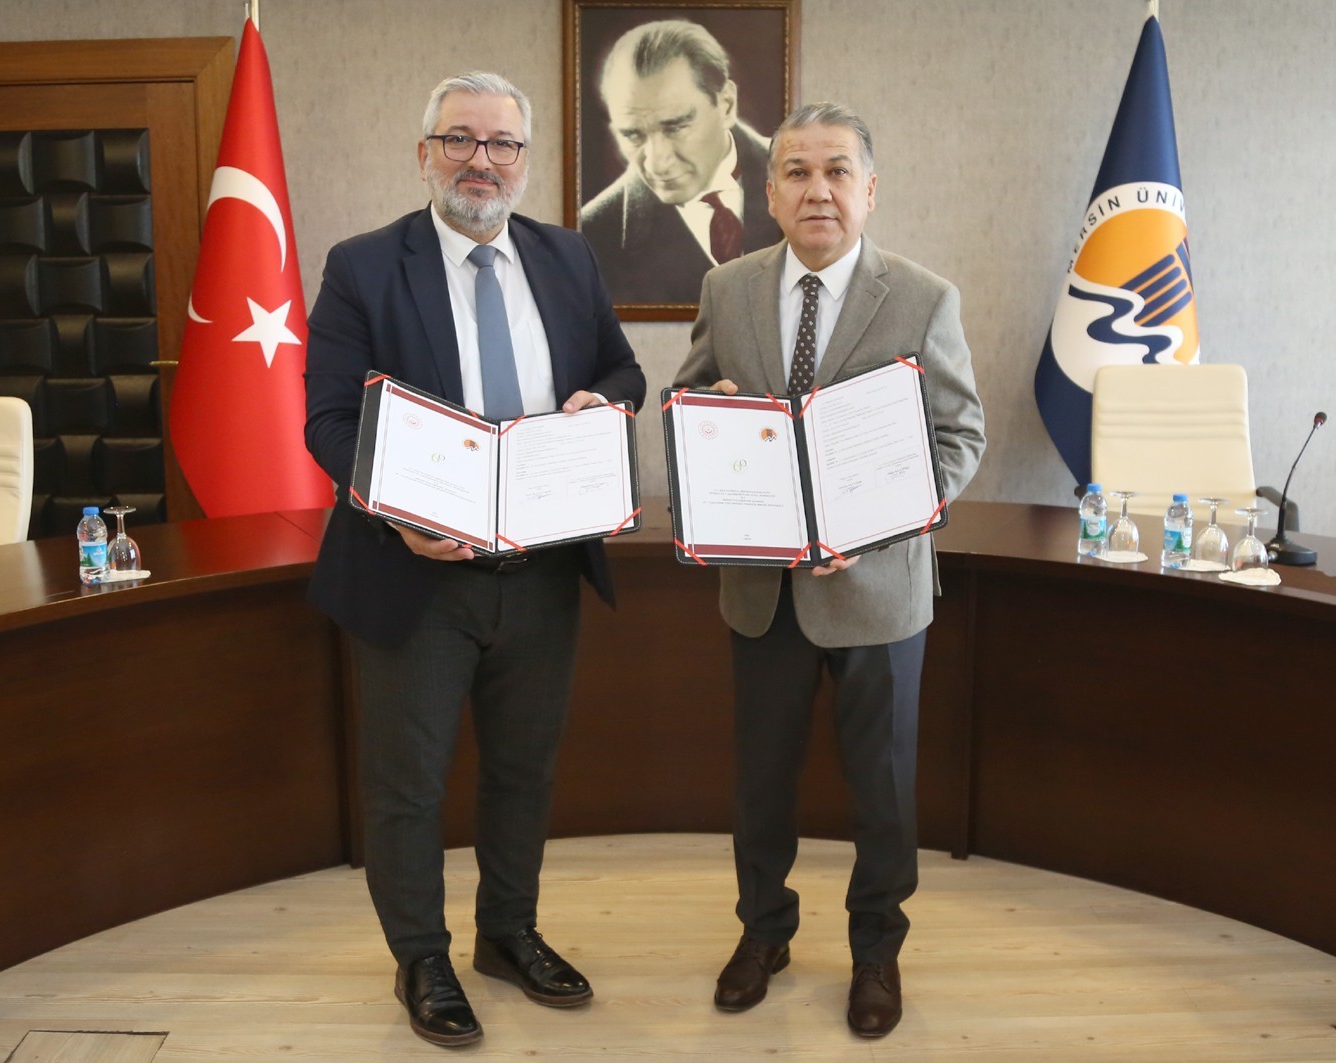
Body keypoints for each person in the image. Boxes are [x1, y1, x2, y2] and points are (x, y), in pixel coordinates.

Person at [303, 71, 646, 1048]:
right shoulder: (365, 266)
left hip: (542, 569)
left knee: (523, 772)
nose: (480, 161)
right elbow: (328, 419)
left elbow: (622, 368)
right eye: (459, 139)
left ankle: (507, 934)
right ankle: (421, 956)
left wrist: (605, 403)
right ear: (425, 154)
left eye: (501, 144)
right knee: (408, 784)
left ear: (524, 160)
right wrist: (395, 508)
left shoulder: (567, 255)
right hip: (411, 572)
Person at [673, 101, 986, 1038]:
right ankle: (762, 932)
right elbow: (688, 398)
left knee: (882, 791)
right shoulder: (727, 287)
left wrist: (882, 521)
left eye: (837, 171)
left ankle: (876, 949)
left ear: (870, 190)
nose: (819, 190)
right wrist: (711, 414)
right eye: (798, 172)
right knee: (760, 782)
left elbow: (959, 436)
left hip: (878, 590)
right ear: (768, 192)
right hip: (761, 590)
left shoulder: (924, 297)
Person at [579, 19, 781, 306]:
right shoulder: (593, 235)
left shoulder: (806, 189)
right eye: (633, 135)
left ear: (726, 104)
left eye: (675, 127)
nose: (657, 163)